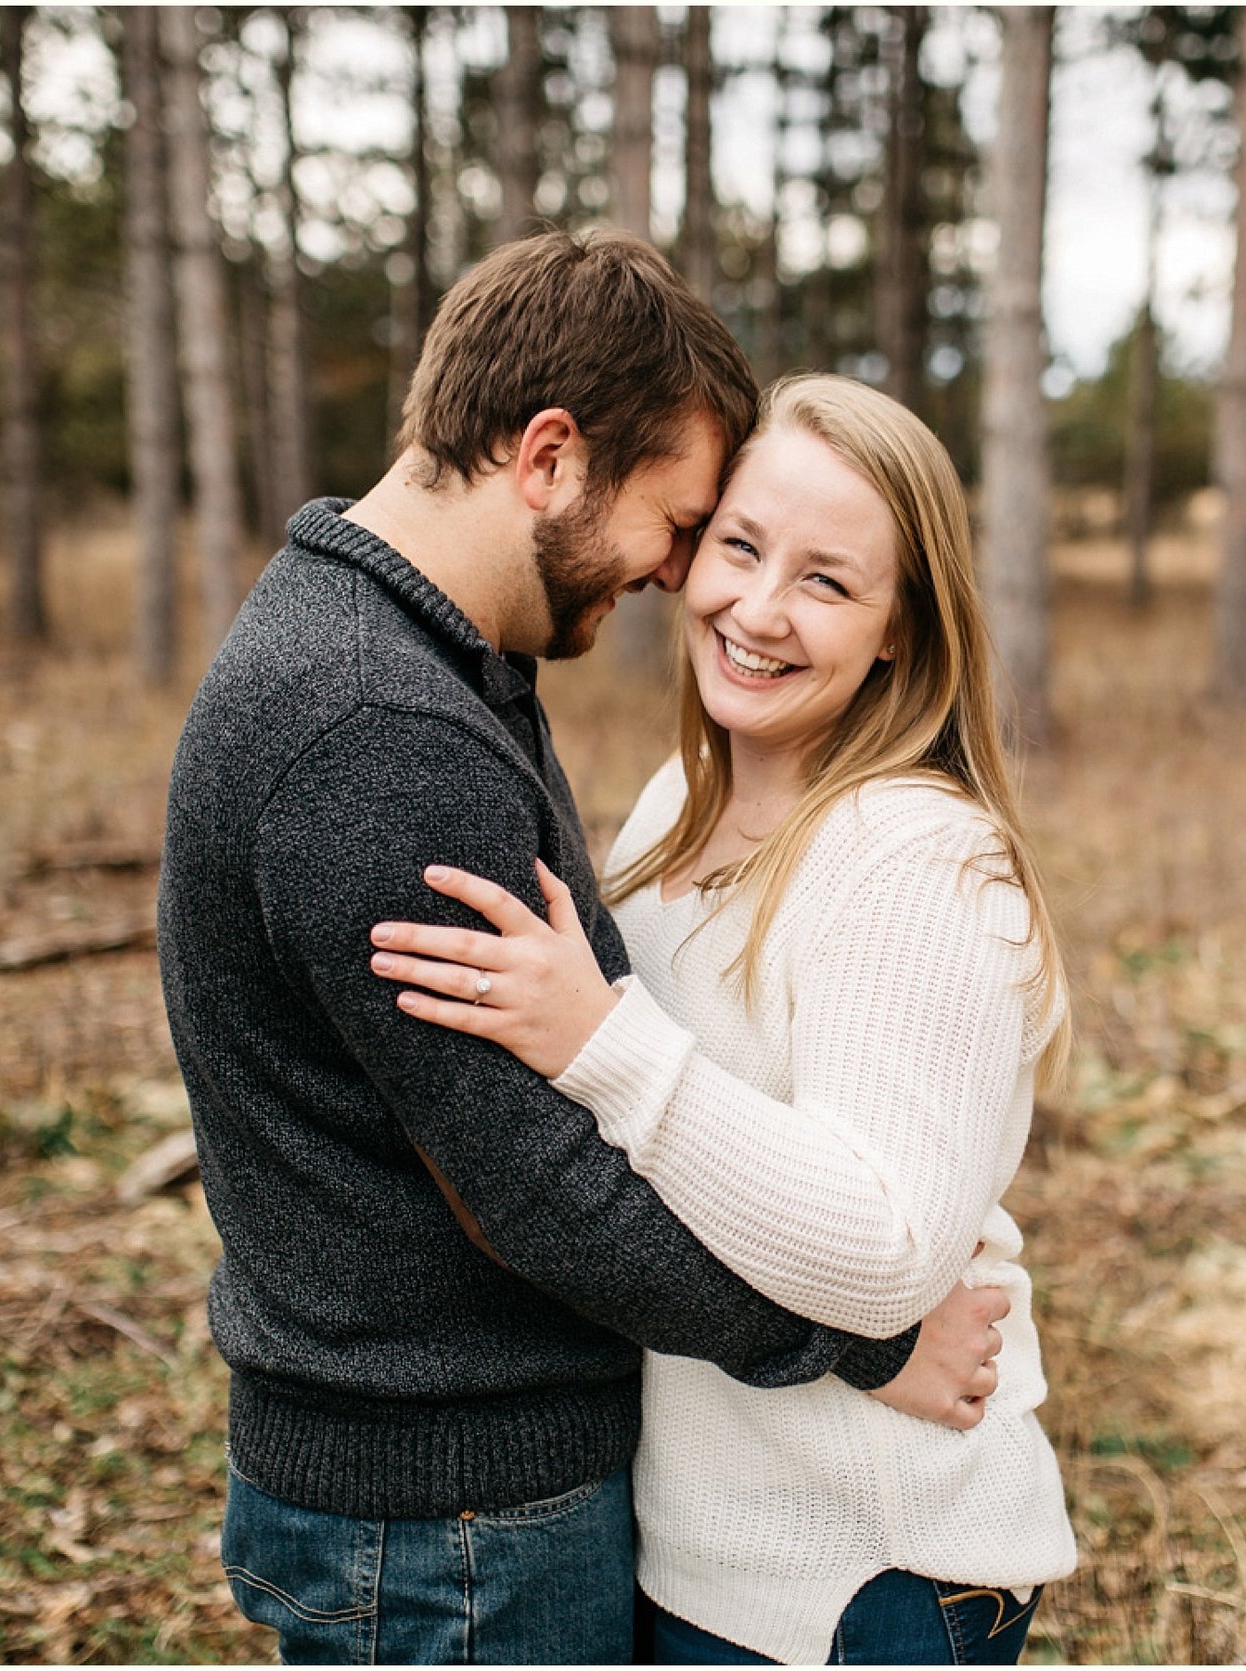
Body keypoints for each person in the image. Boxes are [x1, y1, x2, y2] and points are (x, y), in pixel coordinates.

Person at [156, 234, 1008, 1666]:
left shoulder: (417, 658)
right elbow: (533, 1184)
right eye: (689, 525)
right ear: (550, 457)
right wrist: (864, 1343)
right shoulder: (382, 729)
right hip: (455, 1515)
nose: (687, 577)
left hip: (457, 1493)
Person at [368, 373, 1079, 1664]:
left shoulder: (915, 862)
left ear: (899, 638)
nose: (757, 610)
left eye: (826, 581)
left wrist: (608, 1045)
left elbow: (886, 1251)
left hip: (864, 1577)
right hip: (706, 1548)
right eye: (741, 548)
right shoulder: (668, 815)